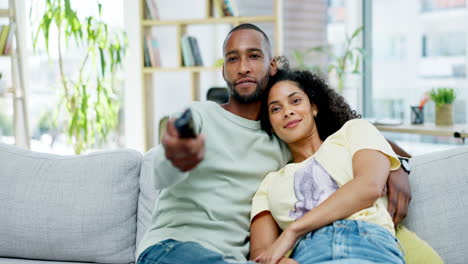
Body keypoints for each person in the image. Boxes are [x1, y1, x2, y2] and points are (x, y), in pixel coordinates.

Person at [136, 24, 415, 264]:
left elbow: (355, 139)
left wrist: (395, 166)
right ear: (224, 71)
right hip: (173, 248)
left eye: (254, 56)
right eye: (232, 59)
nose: (243, 67)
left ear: (272, 65)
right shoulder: (198, 116)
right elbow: (160, 173)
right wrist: (175, 156)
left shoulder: (284, 138)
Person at [250, 68, 442, 264]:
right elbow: (262, 253)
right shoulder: (270, 183)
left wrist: (293, 231)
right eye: (276, 108)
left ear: (314, 107)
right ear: (270, 125)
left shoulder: (354, 132)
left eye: (296, 101)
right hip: (309, 254)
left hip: (368, 244)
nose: (287, 111)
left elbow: (369, 186)